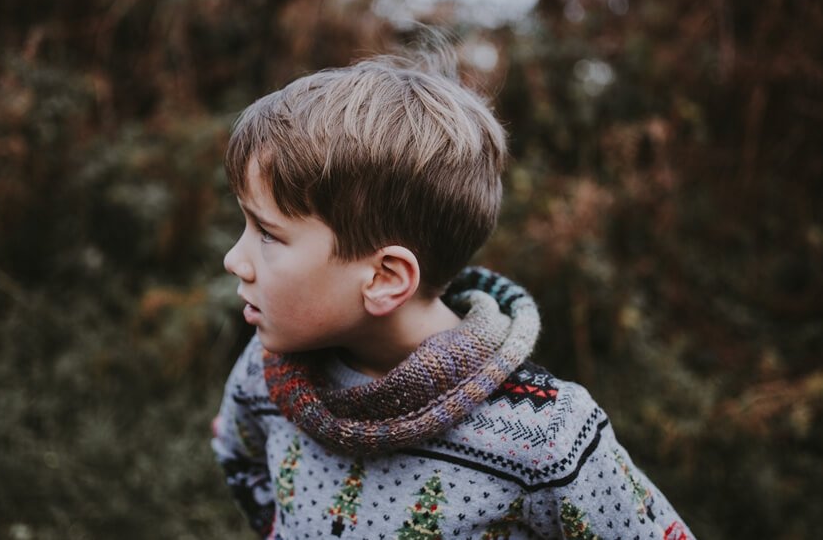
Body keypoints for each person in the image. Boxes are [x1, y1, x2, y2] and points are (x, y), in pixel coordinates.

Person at [212, 42, 696, 540]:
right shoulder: (265, 369)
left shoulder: (546, 435)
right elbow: (238, 454)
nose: (234, 259)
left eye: (267, 233)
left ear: (384, 278)